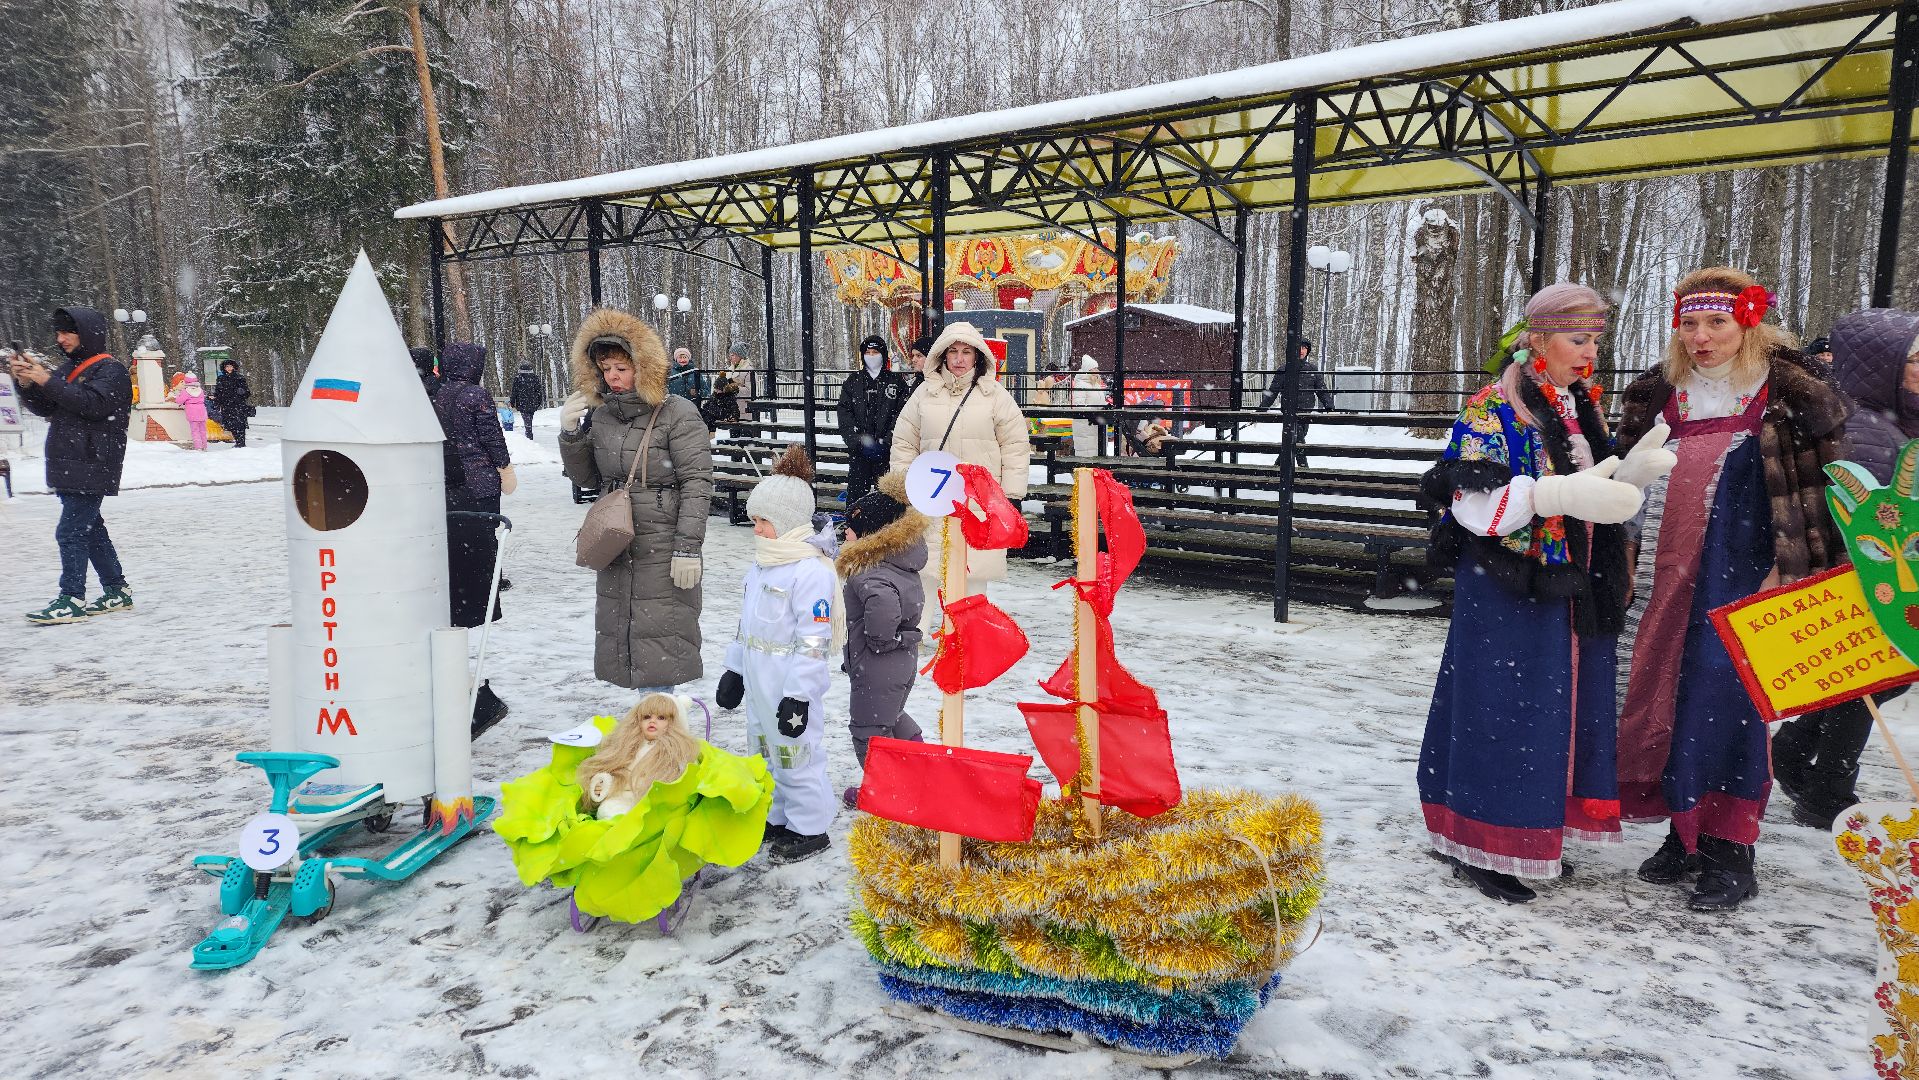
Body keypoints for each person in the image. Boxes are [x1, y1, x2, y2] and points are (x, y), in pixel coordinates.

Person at [1416, 284, 1669, 903]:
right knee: (1505, 706)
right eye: (1576, 339)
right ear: (1538, 339)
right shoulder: (1492, 408)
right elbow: (1475, 508)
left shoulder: (1582, 407)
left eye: (1594, 342)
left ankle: (1528, 831)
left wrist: (1622, 477)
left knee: (1552, 708)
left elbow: (1591, 491)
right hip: (1507, 583)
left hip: (1567, 582)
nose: (1588, 354)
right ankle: (1484, 838)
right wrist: (1555, 495)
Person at [1614, 267, 1851, 912]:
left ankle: (1730, 846)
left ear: (1747, 322)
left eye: (1716, 322)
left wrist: (1791, 567)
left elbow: (1820, 495)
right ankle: (1681, 831)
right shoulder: (1663, 394)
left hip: (1741, 569)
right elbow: (1626, 477)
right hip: (1666, 572)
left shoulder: (1783, 396)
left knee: (1729, 702)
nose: (1701, 336)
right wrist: (1625, 544)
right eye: (1689, 323)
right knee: (1663, 692)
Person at [1773, 309, 1919, 827]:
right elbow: (1872, 518)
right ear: (1882, 365)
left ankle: (1798, 752)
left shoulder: (1900, 417)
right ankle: (1826, 787)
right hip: (1870, 573)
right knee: (1870, 677)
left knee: (1875, 679)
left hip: (1895, 576)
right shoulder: (1868, 429)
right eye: (1914, 359)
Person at [559, 309, 714, 692]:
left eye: (622, 367)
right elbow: (587, 479)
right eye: (606, 367)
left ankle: (662, 735)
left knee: (661, 643)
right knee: (627, 637)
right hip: (618, 541)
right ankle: (648, 732)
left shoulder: (677, 413)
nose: (613, 376)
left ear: (642, 367)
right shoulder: (605, 415)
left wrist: (687, 549)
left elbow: (697, 482)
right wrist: (571, 435)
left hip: (661, 544)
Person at [714, 446, 841, 864]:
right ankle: (778, 814)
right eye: (754, 521)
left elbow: (813, 640)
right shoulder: (762, 565)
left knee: (796, 751)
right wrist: (734, 668)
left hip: (788, 680)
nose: (757, 530)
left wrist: (799, 693)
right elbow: (745, 624)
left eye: (763, 521)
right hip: (758, 676)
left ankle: (810, 826)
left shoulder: (811, 571)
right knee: (765, 750)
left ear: (787, 522)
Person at [890, 321, 1032, 637]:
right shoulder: (923, 395)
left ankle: (970, 630)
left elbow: (1015, 445)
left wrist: (1011, 496)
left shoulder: (996, 396)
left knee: (975, 566)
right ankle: (920, 627)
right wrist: (904, 486)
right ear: (942, 355)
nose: (959, 358)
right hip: (932, 494)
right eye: (953, 351)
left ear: (977, 356)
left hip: (978, 499)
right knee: (925, 563)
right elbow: (904, 441)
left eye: (966, 351)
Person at [13, 307, 135, 624]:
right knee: (91, 530)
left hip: (92, 461)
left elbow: (92, 405)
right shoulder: (70, 368)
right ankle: (116, 590)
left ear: (87, 333)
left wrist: (45, 378)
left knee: (70, 532)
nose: (60, 339)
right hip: (73, 462)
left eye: (67, 332)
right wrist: (28, 384)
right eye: (58, 332)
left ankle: (71, 598)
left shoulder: (112, 371)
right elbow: (47, 406)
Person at [835, 472, 928, 807]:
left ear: (869, 535)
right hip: (899, 662)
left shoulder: (869, 572)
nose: (843, 533)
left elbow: (884, 608)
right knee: (892, 716)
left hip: (878, 661)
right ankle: (920, 763)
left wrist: (879, 640)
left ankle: (883, 792)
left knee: (867, 729)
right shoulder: (898, 564)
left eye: (850, 528)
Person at [434, 342, 513, 733]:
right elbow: (490, 432)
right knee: (486, 531)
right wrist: (503, 464)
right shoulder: (474, 394)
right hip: (478, 476)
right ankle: (490, 575)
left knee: (461, 536)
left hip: (446, 479)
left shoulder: (439, 391)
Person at [837, 334, 910, 504]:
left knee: (888, 499)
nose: (871, 356)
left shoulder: (896, 382)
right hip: (859, 454)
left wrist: (888, 442)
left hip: (887, 455)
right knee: (856, 498)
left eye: (875, 352)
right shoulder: (853, 382)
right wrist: (858, 441)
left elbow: (903, 415)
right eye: (867, 352)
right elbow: (845, 414)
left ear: (883, 354)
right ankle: (853, 527)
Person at [1259, 339, 1336, 467]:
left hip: (1306, 412)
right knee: (1298, 440)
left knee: (1291, 442)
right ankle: (1303, 469)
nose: (1301, 350)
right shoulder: (1284, 369)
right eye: (1299, 347)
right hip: (1289, 412)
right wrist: (1262, 408)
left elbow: (1321, 389)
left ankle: (1278, 467)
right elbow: (1273, 391)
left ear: (1308, 351)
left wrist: (1329, 404)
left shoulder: (1312, 369)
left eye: (1305, 348)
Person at [1070, 354, 1106, 456]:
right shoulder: (1081, 384)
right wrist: (1094, 411)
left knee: (1095, 451)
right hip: (1085, 425)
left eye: (1096, 368)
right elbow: (1079, 405)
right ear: (1088, 370)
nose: (1097, 371)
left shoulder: (1095, 384)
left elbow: (1099, 402)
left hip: (1094, 423)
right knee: (1086, 452)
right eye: (1094, 368)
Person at [212, 358, 252, 448]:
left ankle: (241, 442)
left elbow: (247, 392)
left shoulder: (239, 377)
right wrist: (217, 401)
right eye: (227, 366)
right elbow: (218, 392)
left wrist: (242, 391)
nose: (229, 368)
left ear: (234, 367)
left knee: (240, 424)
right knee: (231, 424)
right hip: (227, 405)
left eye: (231, 366)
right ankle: (238, 441)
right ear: (224, 368)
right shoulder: (221, 378)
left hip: (238, 405)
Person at [173, 372, 210, 451]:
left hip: (192, 412)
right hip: (202, 411)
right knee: (203, 430)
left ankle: (198, 447)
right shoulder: (200, 390)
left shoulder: (186, 391)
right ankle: (205, 446)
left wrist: (175, 398)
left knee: (195, 431)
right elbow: (203, 399)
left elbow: (179, 401)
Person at [509, 359, 545, 440]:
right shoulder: (535, 378)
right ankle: (529, 429)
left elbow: (514, 391)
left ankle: (528, 431)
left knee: (525, 417)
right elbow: (539, 391)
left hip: (522, 402)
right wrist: (539, 401)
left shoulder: (518, 378)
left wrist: (512, 402)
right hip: (533, 402)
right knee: (529, 416)